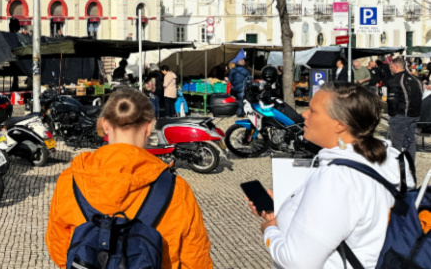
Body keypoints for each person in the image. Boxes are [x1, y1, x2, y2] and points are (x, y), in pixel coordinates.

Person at [246, 82, 414, 269]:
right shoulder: (393, 158)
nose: (304, 114)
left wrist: (269, 230)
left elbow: (297, 262)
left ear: (339, 124)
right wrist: (285, 207)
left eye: (313, 111)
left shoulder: (338, 177)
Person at [46, 89, 212, 269]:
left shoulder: (70, 180)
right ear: (149, 127)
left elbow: (59, 249)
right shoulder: (175, 189)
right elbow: (196, 260)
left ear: (105, 125)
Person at [385, 56, 422, 159]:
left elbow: (392, 101)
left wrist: (392, 115)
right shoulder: (416, 79)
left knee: (396, 143)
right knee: (410, 141)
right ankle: (410, 166)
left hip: (401, 114)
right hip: (414, 114)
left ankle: (397, 168)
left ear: (396, 66)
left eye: (391, 66)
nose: (390, 68)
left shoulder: (395, 80)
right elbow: (420, 95)